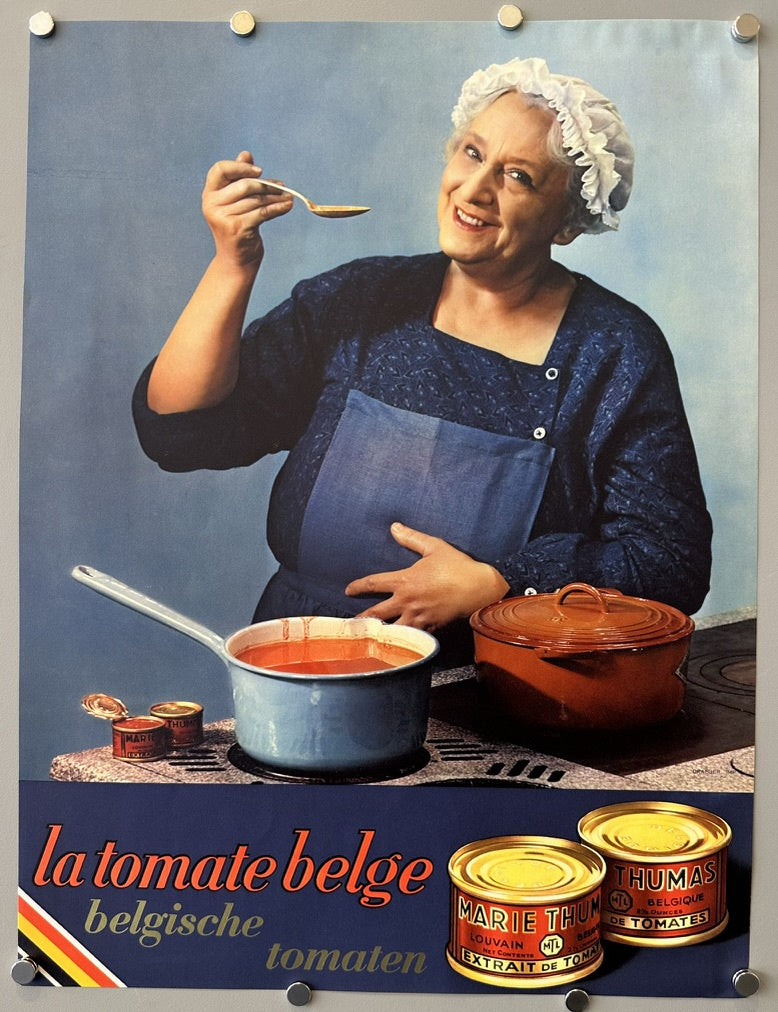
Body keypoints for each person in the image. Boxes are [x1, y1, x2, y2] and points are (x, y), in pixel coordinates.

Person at [132, 57, 712, 667]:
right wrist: (233, 264)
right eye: (472, 153)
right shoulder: (361, 300)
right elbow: (181, 431)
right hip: (298, 665)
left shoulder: (613, 349)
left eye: (518, 177)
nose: (475, 190)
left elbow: (670, 561)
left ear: (566, 222)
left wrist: (500, 581)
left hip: (487, 685)